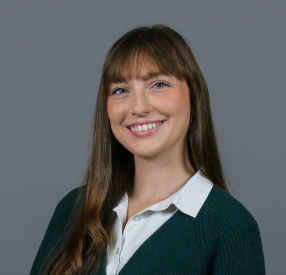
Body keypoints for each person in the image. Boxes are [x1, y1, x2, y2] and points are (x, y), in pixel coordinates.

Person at [30, 25, 265, 275]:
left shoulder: (230, 226)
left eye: (159, 84)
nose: (138, 107)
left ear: (194, 97)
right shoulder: (73, 210)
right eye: (121, 90)